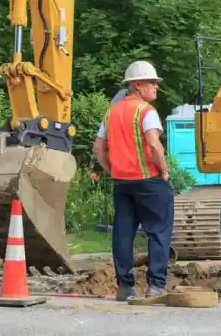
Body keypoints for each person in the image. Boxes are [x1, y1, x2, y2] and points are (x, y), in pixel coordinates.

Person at [92, 60, 174, 301]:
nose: (156, 87)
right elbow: (153, 143)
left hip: (122, 183)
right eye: (153, 83)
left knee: (123, 233)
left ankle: (125, 286)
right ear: (138, 85)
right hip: (149, 181)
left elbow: (98, 148)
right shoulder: (146, 112)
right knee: (158, 231)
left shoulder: (111, 113)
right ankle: (157, 285)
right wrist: (164, 169)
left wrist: (111, 169)